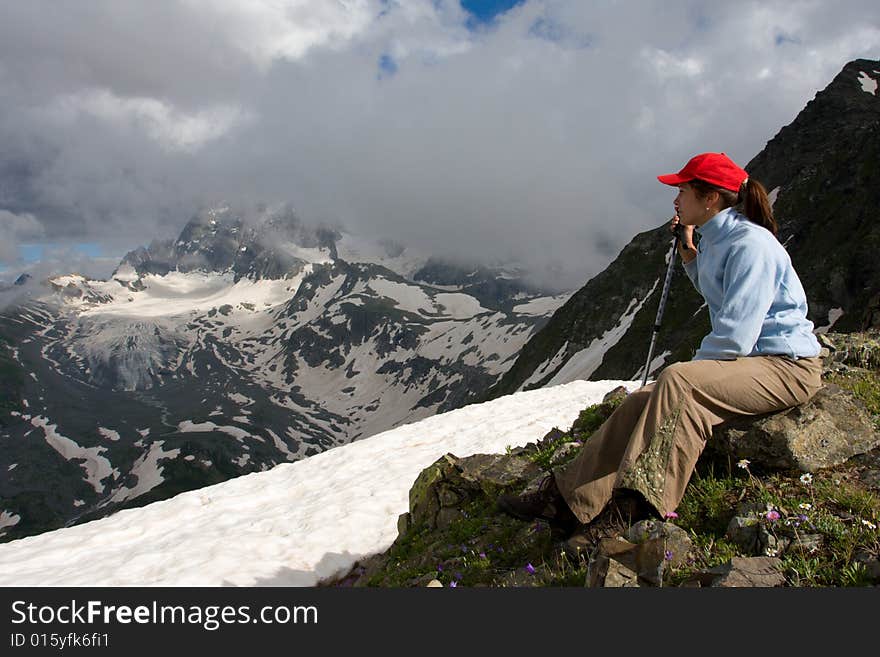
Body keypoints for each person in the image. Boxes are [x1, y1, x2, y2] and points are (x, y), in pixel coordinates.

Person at [497, 152, 824, 549]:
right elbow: (721, 295)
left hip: (785, 366)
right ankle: (567, 500)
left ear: (709, 199)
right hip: (757, 362)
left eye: (683, 190)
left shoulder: (751, 246)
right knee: (641, 402)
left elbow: (737, 335)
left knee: (677, 382)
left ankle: (636, 506)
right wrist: (689, 254)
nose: (675, 198)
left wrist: (689, 375)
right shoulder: (720, 238)